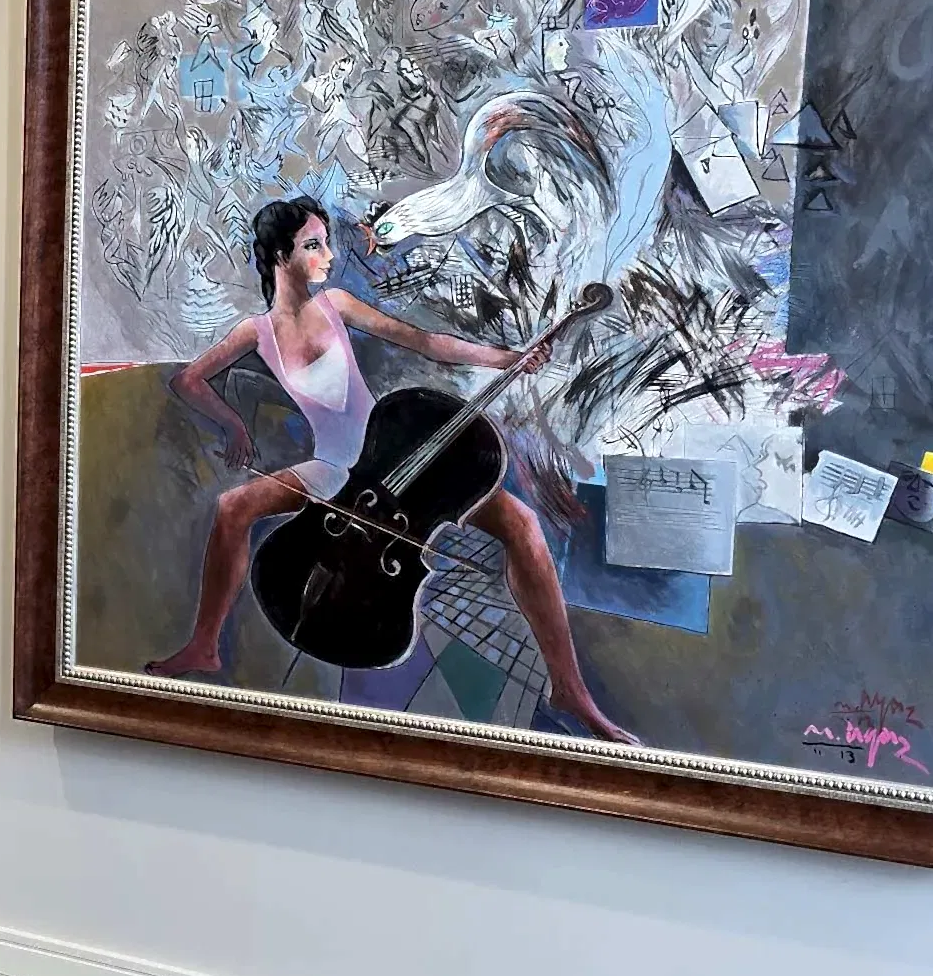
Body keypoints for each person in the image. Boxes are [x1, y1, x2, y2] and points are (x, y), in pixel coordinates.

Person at [143, 195, 638, 745]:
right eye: (314, 245)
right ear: (281, 255)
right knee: (232, 507)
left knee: (521, 524)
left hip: (389, 450)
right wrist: (234, 425)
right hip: (335, 467)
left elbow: (423, 341)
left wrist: (503, 359)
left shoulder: (337, 305)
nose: (329, 256)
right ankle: (205, 644)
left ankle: (569, 686)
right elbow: (188, 381)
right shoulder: (255, 332)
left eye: (325, 243)